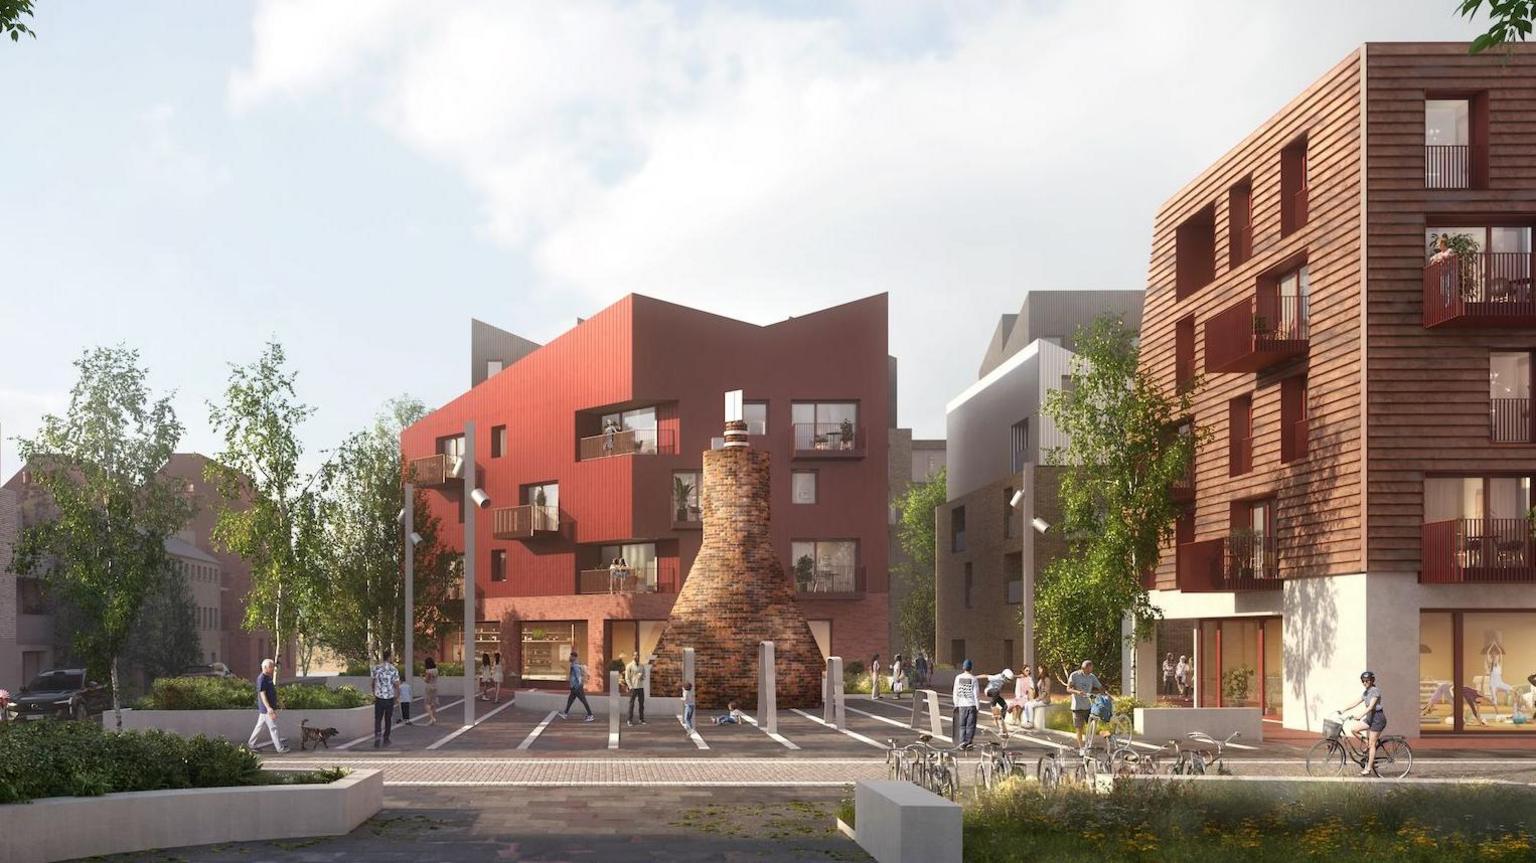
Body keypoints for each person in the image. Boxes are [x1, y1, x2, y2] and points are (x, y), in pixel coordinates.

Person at [1339, 670, 1386, 775]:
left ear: (1372, 680)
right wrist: (1343, 710)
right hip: (1370, 718)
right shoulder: (1366, 692)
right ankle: (1366, 743)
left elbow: (1371, 706)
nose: (1365, 683)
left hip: (1377, 718)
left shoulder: (1375, 691)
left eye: (1367, 681)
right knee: (1354, 729)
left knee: (1372, 744)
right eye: (1363, 681)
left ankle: (1368, 768)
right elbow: (1356, 702)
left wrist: (1360, 715)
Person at [246, 658, 287, 753]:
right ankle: (280, 748)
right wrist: (269, 708)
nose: (273, 668)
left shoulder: (268, 678)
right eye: (271, 666)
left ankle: (251, 744)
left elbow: (272, 692)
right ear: (265, 667)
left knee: (259, 727)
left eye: (273, 666)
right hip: (266, 709)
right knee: (273, 728)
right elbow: (262, 694)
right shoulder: (261, 679)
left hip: (268, 708)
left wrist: (279, 702)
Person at [1066, 660, 1104, 751]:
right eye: (1089, 669)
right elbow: (1068, 689)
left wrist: (1106, 695)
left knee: (1093, 724)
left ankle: (1088, 743)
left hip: (1089, 706)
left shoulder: (1092, 677)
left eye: (1091, 669)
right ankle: (1081, 747)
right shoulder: (1074, 675)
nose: (1090, 671)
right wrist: (1078, 692)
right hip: (1077, 707)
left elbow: (1100, 687)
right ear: (1084, 668)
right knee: (1079, 728)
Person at [372, 648, 401, 748]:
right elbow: (397, 684)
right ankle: (386, 738)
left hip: (379, 696)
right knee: (388, 718)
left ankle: (377, 735)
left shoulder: (376, 668)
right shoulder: (393, 669)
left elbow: (373, 682)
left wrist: (374, 692)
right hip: (389, 697)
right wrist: (398, 696)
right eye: (392, 656)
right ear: (389, 657)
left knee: (378, 718)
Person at [558, 651, 596, 721]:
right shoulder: (573, 665)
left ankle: (590, 715)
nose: (569, 657)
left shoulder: (575, 665)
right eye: (570, 656)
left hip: (577, 687)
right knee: (570, 700)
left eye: (571, 656)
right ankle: (565, 713)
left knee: (583, 701)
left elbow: (578, 676)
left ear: (574, 657)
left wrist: (579, 685)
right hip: (574, 687)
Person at [952, 659, 980, 750]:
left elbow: (955, 691)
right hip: (971, 704)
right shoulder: (973, 679)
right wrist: (977, 706)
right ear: (971, 668)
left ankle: (962, 742)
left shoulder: (958, 678)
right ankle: (968, 742)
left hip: (961, 705)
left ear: (963, 667)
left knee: (962, 725)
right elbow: (976, 693)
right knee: (970, 725)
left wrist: (956, 703)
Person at [983, 668, 1015, 738]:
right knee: (996, 691)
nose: (1007, 681)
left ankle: (1001, 723)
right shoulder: (997, 677)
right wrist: (974, 677)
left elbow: (1014, 676)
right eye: (1007, 680)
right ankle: (992, 706)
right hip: (988, 691)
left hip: (995, 694)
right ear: (1004, 676)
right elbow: (985, 675)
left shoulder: (1004, 677)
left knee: (1005, 706)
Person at [625, 653, 648, 726]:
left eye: (637, 655)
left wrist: (642, 677)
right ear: (632, 656)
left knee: (641, 704)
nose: (636, 656)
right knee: (631, 704)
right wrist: (630, 686)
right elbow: (627, 678)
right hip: (633, 687)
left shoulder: (641, 666)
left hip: (640, 687)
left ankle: (641, 719)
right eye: (634, 655)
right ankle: (629, 720)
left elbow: (644, 676)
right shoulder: (629, 666)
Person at [422, 656, 439, 726]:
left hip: (429, 687)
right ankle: (433, 719)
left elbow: (427, 680)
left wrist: (422, 678)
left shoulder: (428, 671)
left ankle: (432, 718)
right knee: (433, 703)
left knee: (426, 704)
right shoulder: (436, 670)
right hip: (435, 687)